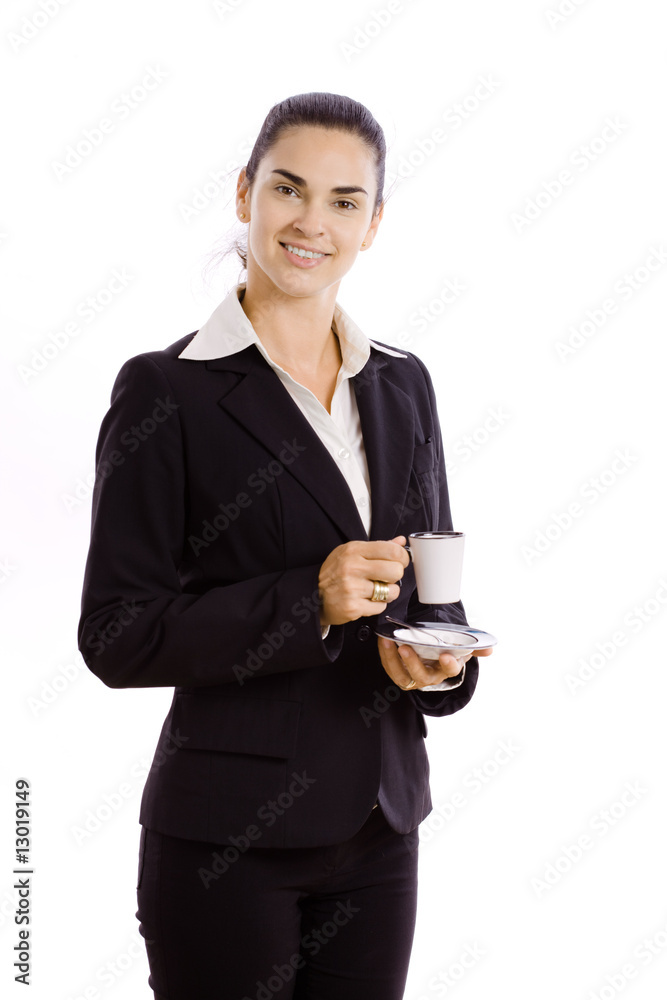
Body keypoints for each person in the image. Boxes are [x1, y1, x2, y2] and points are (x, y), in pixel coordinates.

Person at [77, 91, 493, 1000]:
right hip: (227, 842)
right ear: (244, 194)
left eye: (344, 201)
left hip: (383, 826)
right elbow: (115, 632)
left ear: (373, 225)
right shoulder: (165, 392)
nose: (311, 222)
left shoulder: (401, 384)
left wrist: (439, 662)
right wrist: (308, 599)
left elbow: (432, 587)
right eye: (288, 188)